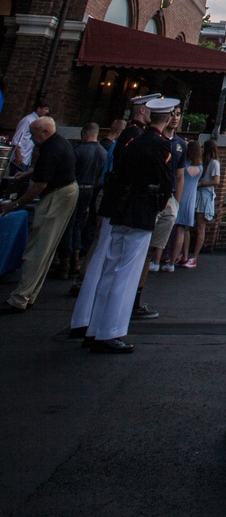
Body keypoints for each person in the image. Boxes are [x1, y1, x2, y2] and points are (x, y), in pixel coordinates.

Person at [84, 99, 176, 352]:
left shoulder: (132, 141)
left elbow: (118, 172)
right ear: (166, 119)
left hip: (121, 209)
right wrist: (159, 205)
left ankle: (94, 328)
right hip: (142, 210)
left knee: (110, 268)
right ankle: (110, 331)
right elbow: (166, 182)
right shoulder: (160, 145)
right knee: (127, 273)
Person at [69, 94, 162, 337]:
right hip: (123, 207)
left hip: (116, 204)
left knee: (105, 264)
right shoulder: (136, 136)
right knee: (113, 266)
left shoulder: (129, 134)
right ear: (142, 110)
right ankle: (100, 325)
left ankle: (88, 320)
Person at [1, 117, 78, 312]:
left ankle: (20, 298)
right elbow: (48, 169)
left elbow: (40, 184)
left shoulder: (51, 149)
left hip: (56, 195)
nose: (32, 139)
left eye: (34, 135)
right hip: (65, 191)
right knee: (45, 248)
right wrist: (29, 173)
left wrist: (15, 204)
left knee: (37, 249)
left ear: (44, 132)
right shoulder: (59, 143)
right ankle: (28, 294)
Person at [55, 123, 106, 278]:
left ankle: (65, 262)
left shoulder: (78, 150)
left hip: (76, 187)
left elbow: (67, 171)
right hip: (90, 189)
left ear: (85, 133)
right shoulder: (103, 152)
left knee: (68, 224)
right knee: (78, 224)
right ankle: (76, 259)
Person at [146, 104, 186, 277]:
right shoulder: (155, 139)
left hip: (169, 197)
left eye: (178, 114)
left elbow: (180, 175)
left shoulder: (180, 144)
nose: (175, 118)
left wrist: (177, 202)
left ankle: (156, 260)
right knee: (145, 237)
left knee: (160, 238)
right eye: (173, 114)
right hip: (151, 195)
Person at [189, 139, 220, 266]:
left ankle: (194, 257)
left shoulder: (214, 163)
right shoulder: (202, 163)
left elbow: (216, 181)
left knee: (200, 226)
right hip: (198, 194)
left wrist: (201, 183)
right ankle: (188, 254)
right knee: (192, 225)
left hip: (205, 194)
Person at [172, 140, 202, 267]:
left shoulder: (184, 164)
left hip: (180, 196)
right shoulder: (201, 167)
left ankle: (171, 260)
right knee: (186, 229)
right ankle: (184, 255)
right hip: (191, 199)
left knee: (177, 230)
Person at [9, 103, 52, 176]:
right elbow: (17, 138)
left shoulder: (37, 120)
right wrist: (18, 154)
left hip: (27, 158)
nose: (47, 111)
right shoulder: (28, 120)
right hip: (20, 157)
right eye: (46, 109)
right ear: (38, 109)